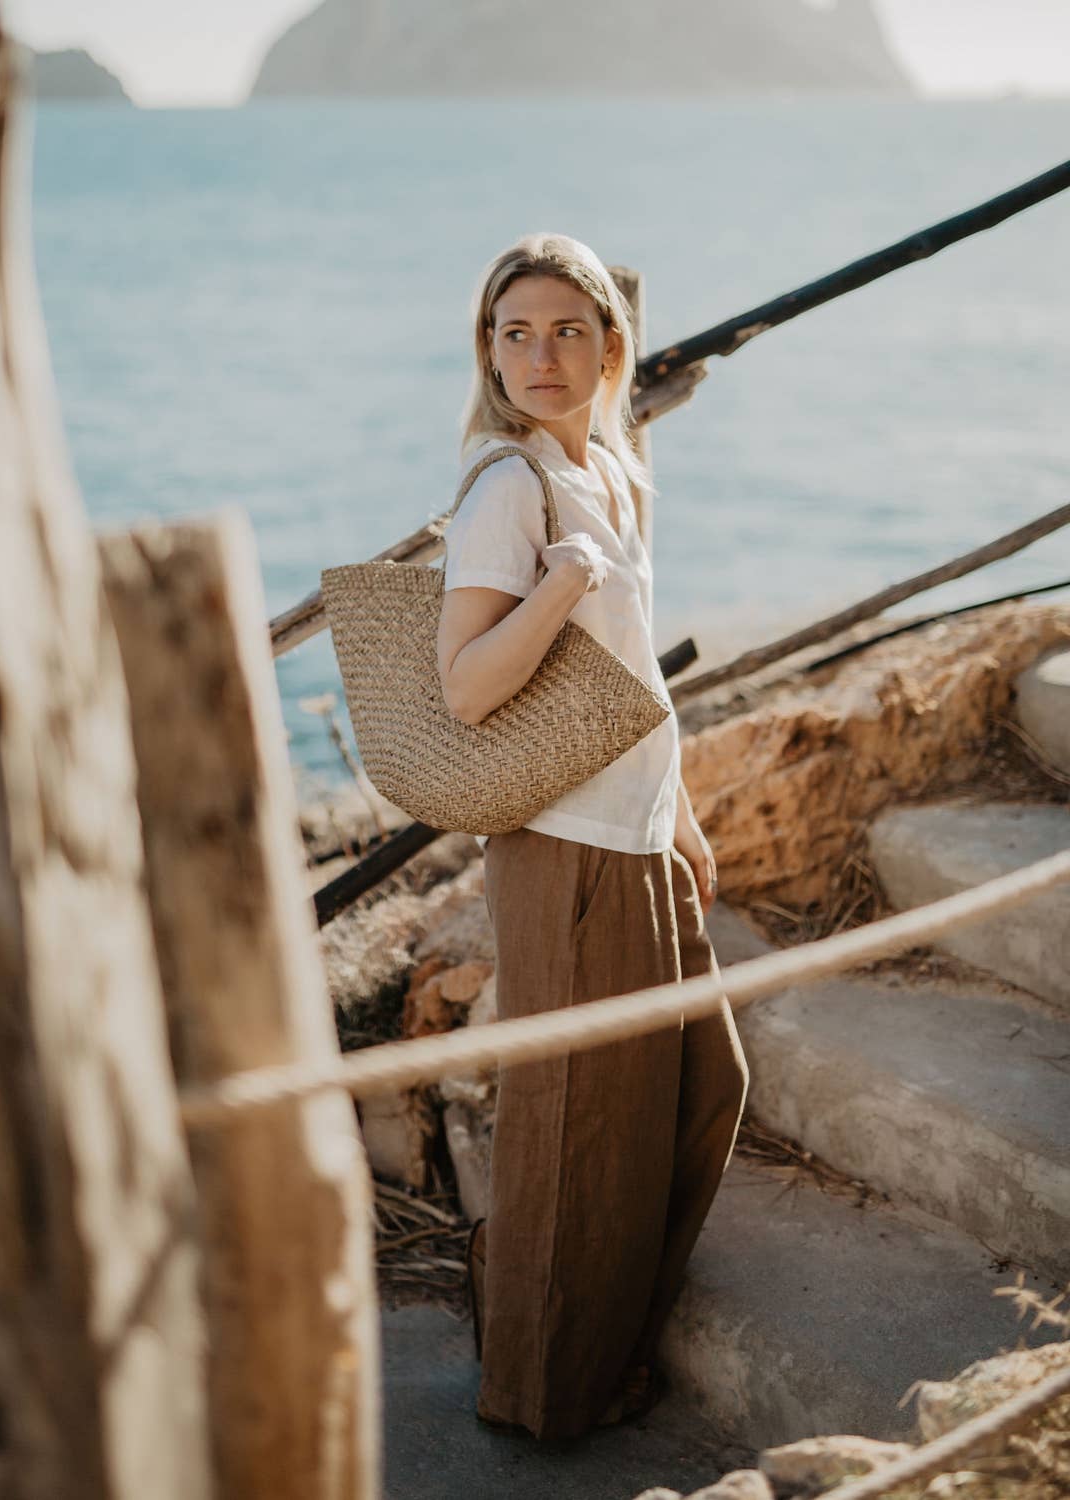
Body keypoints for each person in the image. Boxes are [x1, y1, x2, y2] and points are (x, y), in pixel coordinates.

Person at [436, 232, 749, 1441]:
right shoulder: (511, 486)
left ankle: (567, 1323)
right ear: (489, 352)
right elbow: (468, 688)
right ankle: (542, 1392)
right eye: (515, 332)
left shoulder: (613, 466)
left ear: (614, 347)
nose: (540, 355)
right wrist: (561, 582)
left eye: (569, 329)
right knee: (575, 1128)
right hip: (561, 843)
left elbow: (633, 683)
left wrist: (680, 813)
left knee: (699, 1090)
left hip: (635, 831)